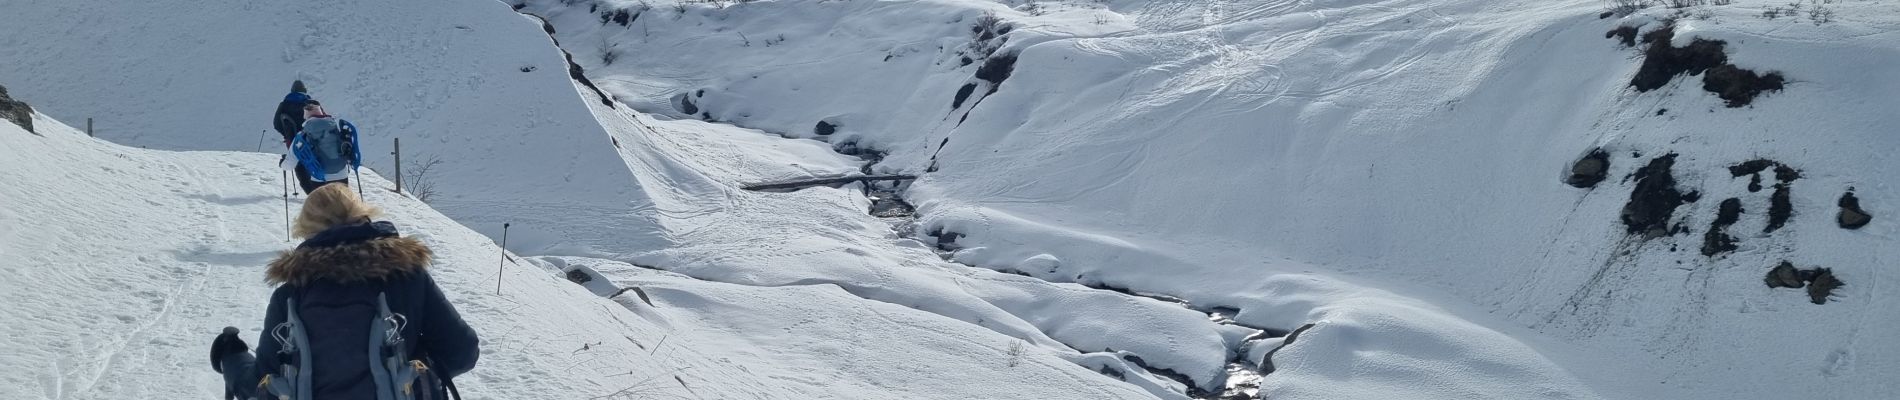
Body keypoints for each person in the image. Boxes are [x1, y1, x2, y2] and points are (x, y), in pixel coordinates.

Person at [218, 184, 479, 399]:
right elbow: (462, 352)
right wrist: (412, 366)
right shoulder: (407, 277)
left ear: (306, 230)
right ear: (362, 214)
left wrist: (231, 357)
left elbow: (259, 382)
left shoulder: (290, 296)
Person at [285, 100, 359, 194]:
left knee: (323, 208)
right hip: (342, 174)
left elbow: (290, 164)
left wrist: (282, 163)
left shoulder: (302, 135)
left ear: (306, 116)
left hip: (320, 178)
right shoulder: (335, 128)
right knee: (342, 204)